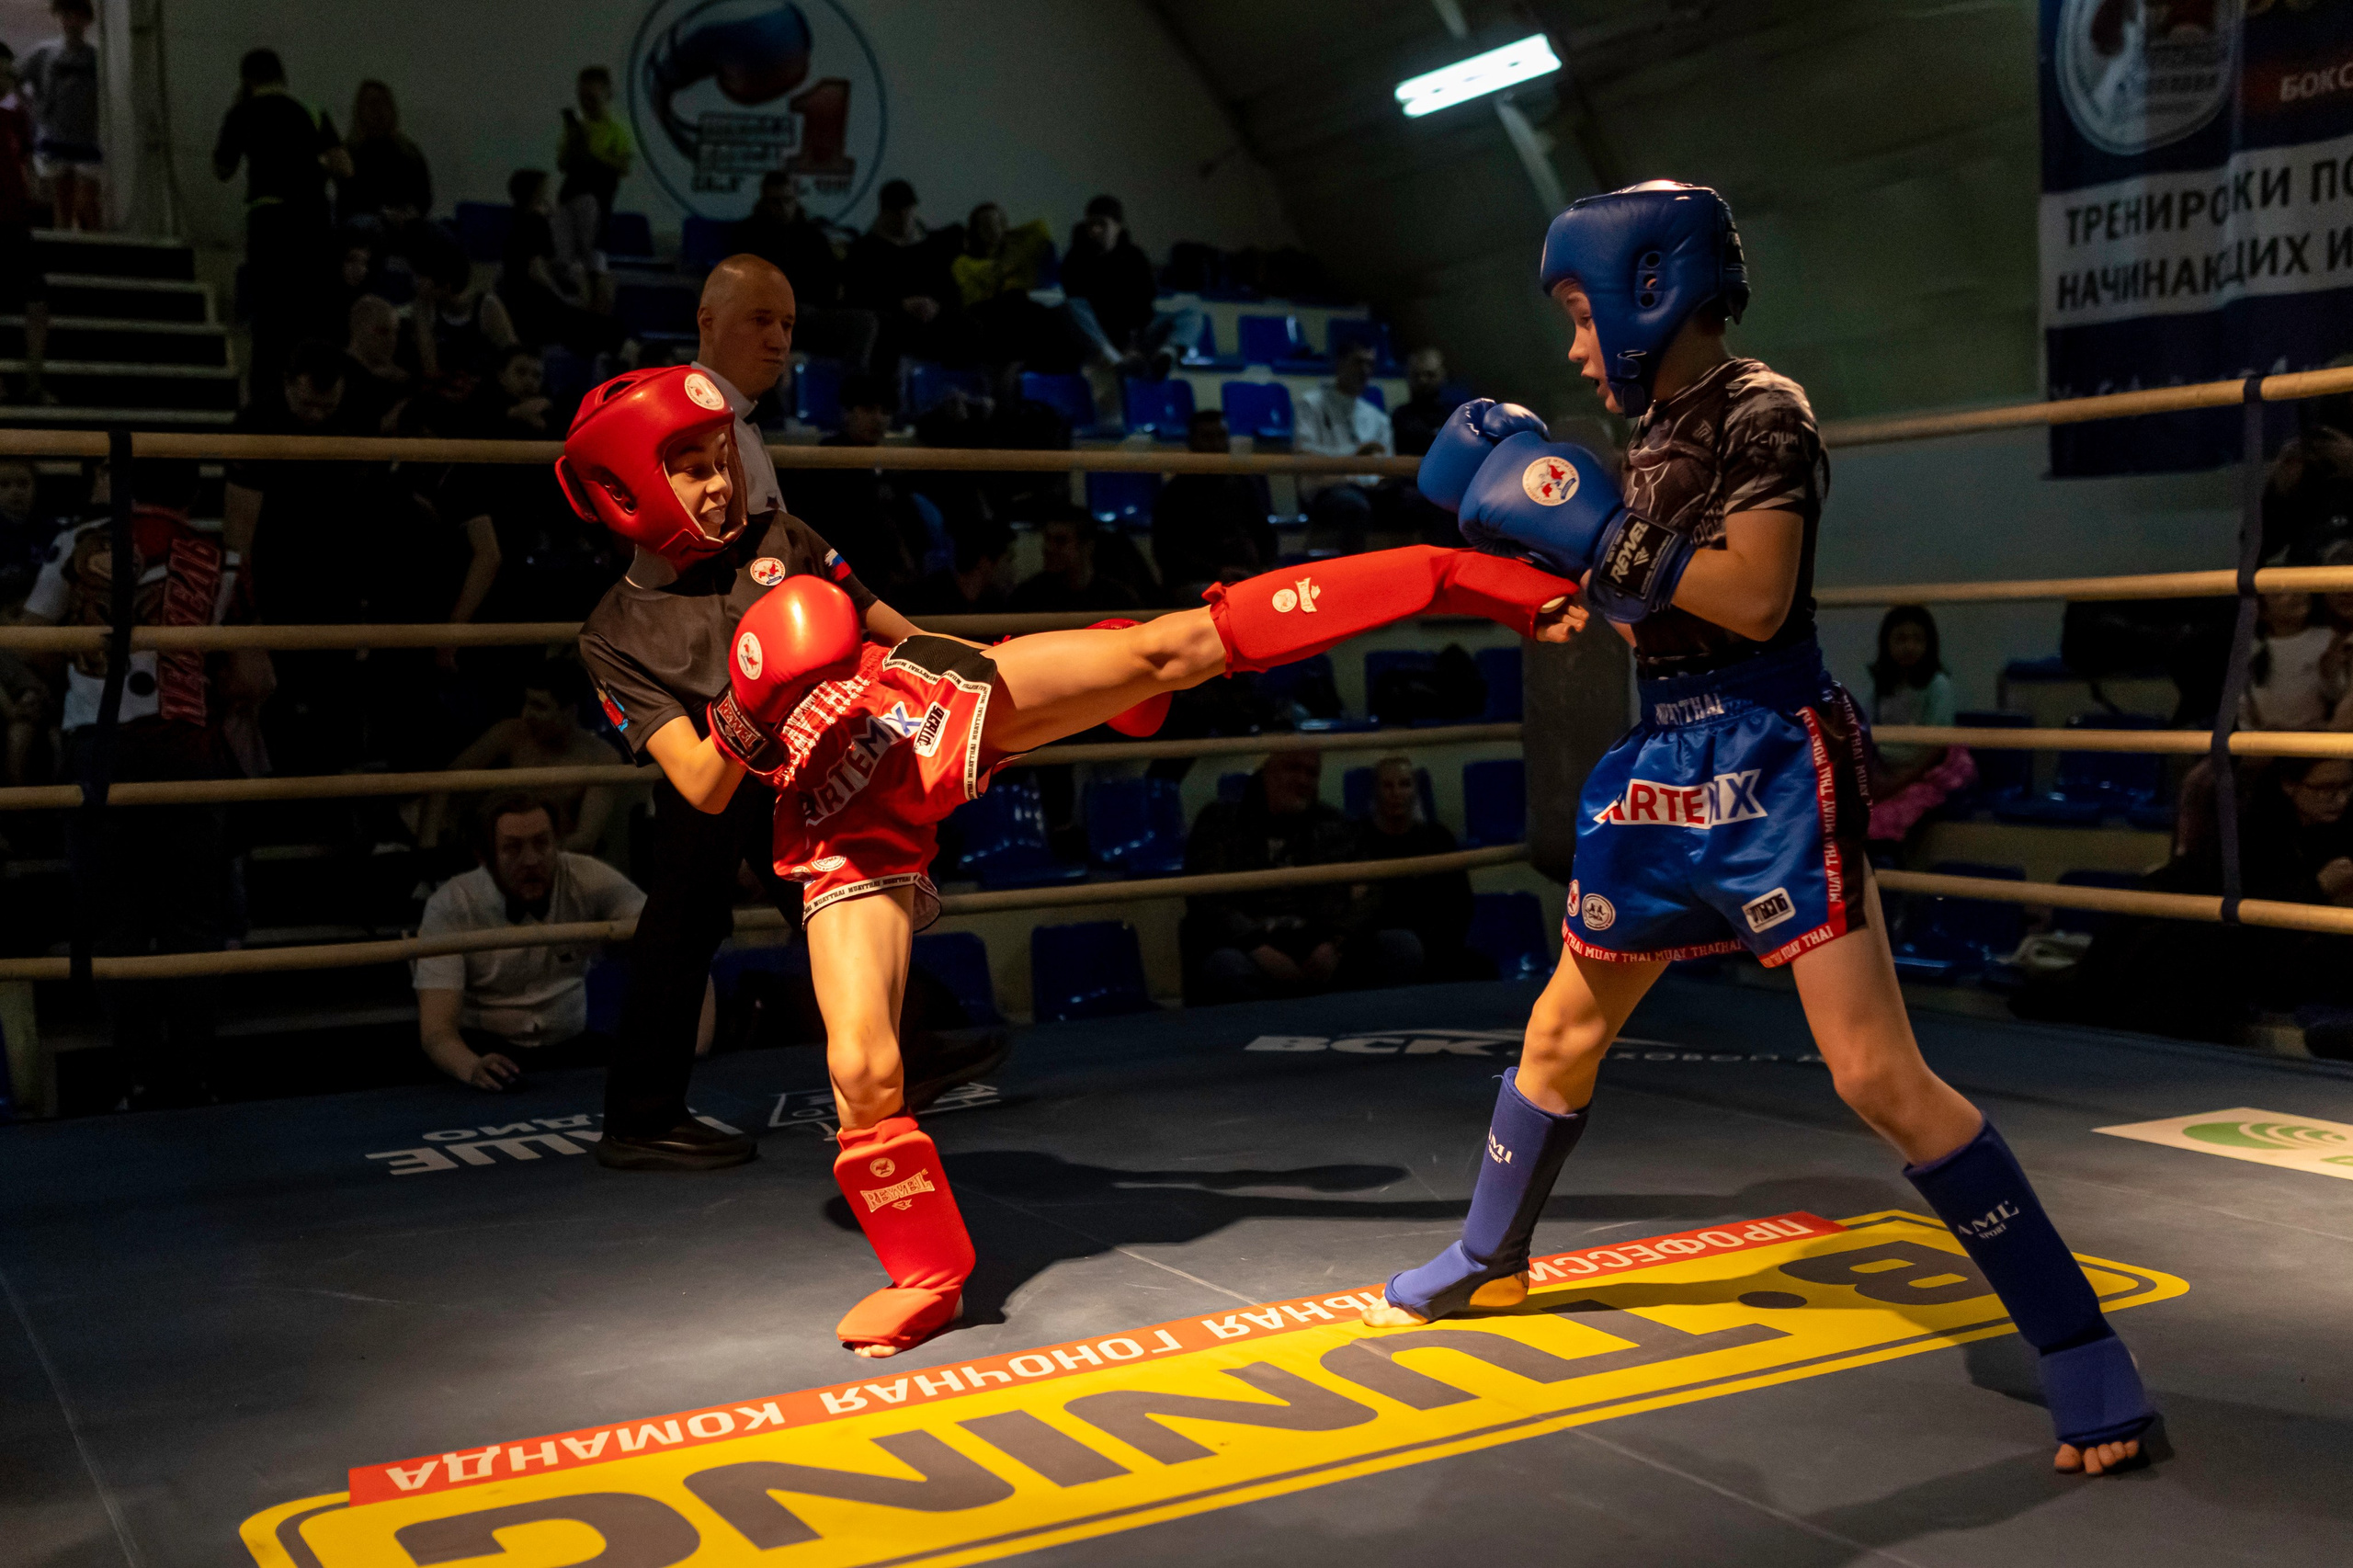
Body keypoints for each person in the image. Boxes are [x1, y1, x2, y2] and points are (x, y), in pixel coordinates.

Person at [1370, 181, 2159, 1479]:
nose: (1573, 346)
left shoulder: (1761, 409)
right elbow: (1641, 598)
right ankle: (1490, 1255)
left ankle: (2077, 1343)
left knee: (1872, 1075)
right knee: (1563, 1025)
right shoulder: (1652, 427)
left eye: (1579, 313)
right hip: (1660, 755)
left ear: (1647, 293)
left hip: (1772, 754)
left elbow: (1749, 594)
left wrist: (1591, 533)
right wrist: (1547, 553)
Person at [561, 362, 1580, 1352]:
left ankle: (1461, 576)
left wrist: (1031, 690)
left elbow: (895, 633)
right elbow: (698, 784)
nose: (720, 478)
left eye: (719, 454)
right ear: (626, 489)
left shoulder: (780, 535)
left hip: (916, 710)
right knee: (862, 1068)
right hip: (827, 818)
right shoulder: (613, 634)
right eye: (690, 463)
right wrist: (751, 692)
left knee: (1169, 648)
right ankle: (925, 1271)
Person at [22, 459, 241, 1108]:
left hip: (101, 749)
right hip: (185, 747)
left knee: (114, 919)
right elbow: (254, 675)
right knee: (192, 921)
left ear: (125, 485)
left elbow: (29, 640)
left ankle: (139, 1078)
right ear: (194, 492)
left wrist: (86, 661)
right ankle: (196, 1074)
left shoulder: (81, 540)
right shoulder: (218, 556)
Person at [415, 793, 702, 1091]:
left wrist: (695, 1045)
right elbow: (437, 1030)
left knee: (642, 1084)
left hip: (572, 1046)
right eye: (513, 848)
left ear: (558, 844)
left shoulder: (587, 878)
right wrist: (471, 1067)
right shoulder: (451, 904)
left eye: (542, 843)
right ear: (484, 857)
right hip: (484, 1050)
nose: (531, 860)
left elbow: (674, 940)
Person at [1182, 748, 1417, 1002]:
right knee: (1225, 967)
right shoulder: (1221, 821)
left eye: (1311, 773)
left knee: (1401, 947)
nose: (1304, 780)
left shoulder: (1335, 824)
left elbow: (1371, 893)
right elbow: (1205, 899)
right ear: (1268, 773)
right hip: (1254, 953)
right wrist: (1256, 947)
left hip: (1323, 949)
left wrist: (1337, 943)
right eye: (1293, 768)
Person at [211, 49, 349, 391]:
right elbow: (345, 167)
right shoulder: (312, 111)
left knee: (271, 318)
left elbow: (222, 169)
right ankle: (319, 388)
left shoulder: (242, 112)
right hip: (313, 220)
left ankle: (268, 396)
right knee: (314, 313)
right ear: (282, 76)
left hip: (269, 221)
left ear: (248, 79)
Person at [420, 662, 627, 856]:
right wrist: (428, 854)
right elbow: (444, 782)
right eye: (526, 702)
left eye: (539, 707)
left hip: (556, 858)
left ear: (569, 712)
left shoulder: (603, 759)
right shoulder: (511, 733)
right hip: (493, 849)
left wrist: (529, 857)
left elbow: (585, 838)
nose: (527, 714)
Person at [795, 370, 930, 595]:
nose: (878, 419)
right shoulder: (827, 462)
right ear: (847, 413)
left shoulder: (885, 467)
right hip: (843, 584)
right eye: (868, 410)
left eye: (885, 412)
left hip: (886, 585)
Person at [1350, 755, 1478, 979]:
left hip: (1436, 948)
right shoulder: (1354, 840)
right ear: (1375, 791)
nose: (1396, 793)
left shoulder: (1439, 839)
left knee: (1481, 969)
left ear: (1416, 791)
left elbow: (1461, 905)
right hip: (1379, 951)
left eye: (1405, 784)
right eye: (1387, 785)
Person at [734, 171, 873, 369]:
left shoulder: (813, 237)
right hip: (766, 315)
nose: (783, 208)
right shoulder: (746, 235)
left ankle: (850, 390)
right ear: (764, 203)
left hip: (811, 313)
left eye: (788, 200)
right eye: (776, 202)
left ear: (796, 200)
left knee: (866, 322)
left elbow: (830, 283)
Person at [1863, 604, 1974, 850]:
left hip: (1925, 772)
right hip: (1886, 770)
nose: (1909, 647)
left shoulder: (1938, 685)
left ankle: (1897, 873)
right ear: (1886, 644)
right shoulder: (1882, 688)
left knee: (1888, 815)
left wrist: (1898, 781)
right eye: (1900, 639)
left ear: (1929, 644)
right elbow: (1869, 736)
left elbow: (1936, 748)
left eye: (1917, 639)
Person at [1057, 194, 1205, 377]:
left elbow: (1144, 306)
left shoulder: (1135, 257)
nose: (1095, 230)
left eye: (1102, 224)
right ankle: (1115, 361)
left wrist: (1133, 343)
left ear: (1118, 227)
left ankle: (1168, 354)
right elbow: (1079, 304)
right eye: (1091, 224)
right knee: (1071, 308)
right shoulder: (1074, 259)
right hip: (1099, 334)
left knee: (1191, 309)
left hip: (1135, 335)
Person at [1151, 409, 1278, 603]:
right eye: (1207, 437)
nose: (1216, 444)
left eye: (1221, 436)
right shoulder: (1175, 492)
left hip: (1246, 576)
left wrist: (1263, 568)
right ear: (1192, 442)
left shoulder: (1244, 483)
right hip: (1199, 581)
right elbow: (1167, 552)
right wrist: (1217, 572)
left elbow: (1266, 534)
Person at [844, 178, 966, 371]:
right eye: (896, 212)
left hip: (933, 318)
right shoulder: (865, 250)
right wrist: (901, 305)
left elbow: (951, 292)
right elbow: (857, 296)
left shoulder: (931, 248)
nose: (902, 218)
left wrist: (936, 307)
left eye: (906, 210)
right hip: (893, 319)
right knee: (886, 329)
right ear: (884, 212)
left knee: (967, 327)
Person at [1294, 340, 1393, 552]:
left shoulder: (1378, 418)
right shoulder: (1310, 405)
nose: (1365, 371)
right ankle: (1355, 578)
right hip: (1326, 491)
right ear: (1340, 363)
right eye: (1358, 362)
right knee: (1353, 506)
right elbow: (1305, 453)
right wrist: (1357, 457)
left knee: (1421, 502)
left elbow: (1387, 466)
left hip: (1370, 491)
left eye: (1370, 364)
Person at [553, 66, 632, 311]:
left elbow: (623, 166)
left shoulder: (616, 131)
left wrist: (594, 155)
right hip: (569, 198)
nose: (586, 103)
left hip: (597, 201)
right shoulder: (576, 128)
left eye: (592, 98)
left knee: (594, 261)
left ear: (607, 96)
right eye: (582, 98)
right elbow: (562, 163)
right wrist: (577, 144)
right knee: (563, 260)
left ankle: (598, 308)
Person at [19, 0, 100, 233]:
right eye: (65, 15)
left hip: (86, 137)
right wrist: (33, 109)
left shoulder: (94, 56)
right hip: (55, 135)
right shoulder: (45, 53)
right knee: (62, 201)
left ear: (85, 20)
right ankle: (63, 248)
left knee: (88, 202)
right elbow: (17, 78)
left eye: (75, 15)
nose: (70, 21)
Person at [0, 47, 51, 405]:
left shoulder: (14, 117)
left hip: (16, 220)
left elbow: (25, 161)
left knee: (37, 300)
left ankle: (34, 381)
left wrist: (35, 195)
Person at [1006, 510, 1141, 616]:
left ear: (1087, 546)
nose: (1049, 548)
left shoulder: (1116, 599)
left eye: (1060, 541)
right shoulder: (1029, 597)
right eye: (1047, 539)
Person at [337, 79, 431, 230]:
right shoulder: (349, 152)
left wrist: (409, 212)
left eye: (383, 103)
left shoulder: (408, 152)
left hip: (406, 222)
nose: (378, 110)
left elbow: (423, 196)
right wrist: (384, 213)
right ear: (360, 109)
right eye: (371, 103)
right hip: (365, 223)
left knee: (440, 235)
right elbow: (349, 199)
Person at [898, 517, 1012, 619]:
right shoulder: (927, 598)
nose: (1012, 568)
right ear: (985, 562)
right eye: (1009, 560)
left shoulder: (990, 605)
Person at [339, 294, 412, 435]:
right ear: (358, 328)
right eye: (382, 331)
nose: (392, 340)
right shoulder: (336, 372)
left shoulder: (402, 380)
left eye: (395, 332)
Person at [1388, 347, 1459, 458]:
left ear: (1443, 376)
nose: (1423, 380)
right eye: (1417, 375)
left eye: (1430, 375)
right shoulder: (1398, 417)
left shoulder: (1454, 419)